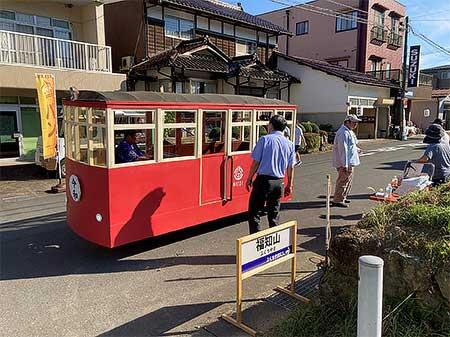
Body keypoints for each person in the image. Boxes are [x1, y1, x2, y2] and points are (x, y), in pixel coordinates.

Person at [246, 115, 296, 234]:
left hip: (263, 180)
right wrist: (290, 184)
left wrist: (249, 178)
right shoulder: (290, 144)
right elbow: (291, 167)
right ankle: (274, 242)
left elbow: (256, 162)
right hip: (279, 181)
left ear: (271, 125)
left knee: (255, 212)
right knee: (274, 214)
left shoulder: (265, 139)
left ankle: (256, 241)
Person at [331, 115, 361, 208]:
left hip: (350, 161)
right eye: (354, 122)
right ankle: (338, 199)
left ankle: (342, 197)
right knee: (343, 180)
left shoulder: (349, 131)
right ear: (347, 122)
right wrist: (345, 164)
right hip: (345, 162)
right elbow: (343, 149)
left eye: (356, 122)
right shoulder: (343, 133)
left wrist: (357, 149)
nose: (355, 124)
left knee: (348, 180)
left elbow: (351, 146)